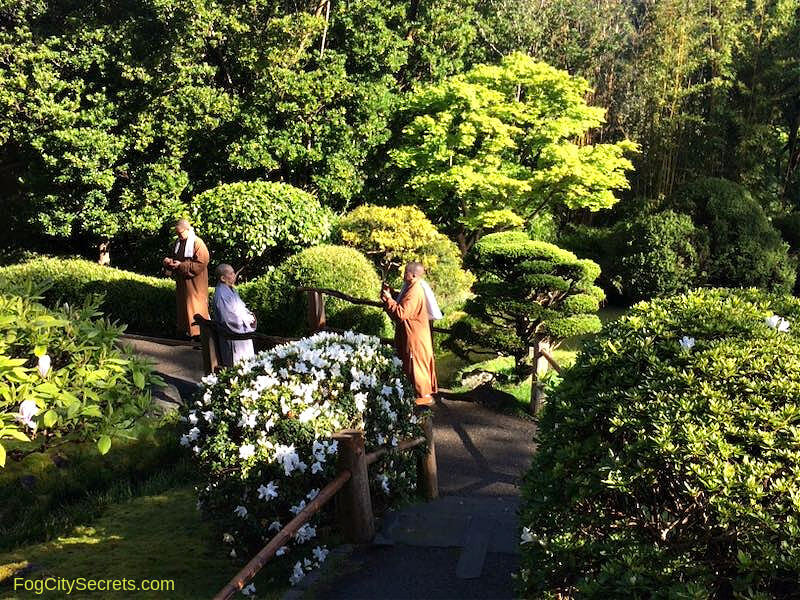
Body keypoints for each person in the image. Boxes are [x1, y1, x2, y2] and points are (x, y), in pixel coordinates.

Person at [381, 262, 438, 406]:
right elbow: (403, 300)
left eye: (406, 272)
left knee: (416, 365)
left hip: (415, 337)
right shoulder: (412, 287)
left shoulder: (415, 290)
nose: (403, 274)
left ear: (413, 275)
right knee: (412, 364)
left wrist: (388, 299)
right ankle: (416, 394)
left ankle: (422, 397)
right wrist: (392, 294)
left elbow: (401, 313)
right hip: (413, 334)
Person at [162, 218, 210, 339]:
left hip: (195, 284)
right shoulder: (177, 243)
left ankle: (200, 335)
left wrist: (181, 265)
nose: (179, 235)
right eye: (177, 233)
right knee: (184, 308)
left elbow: (201, 262)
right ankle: (186, 332)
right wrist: (169, 262)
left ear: (188, 230)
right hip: (182, 284)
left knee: (196, 307)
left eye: (181, 233)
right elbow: (174, 258)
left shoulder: (197, 243)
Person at [212, 264, 257, 366]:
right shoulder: (221, 294)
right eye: (231, 273)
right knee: (238, 369)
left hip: (242, 335)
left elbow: (241, 308)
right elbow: (229, 319)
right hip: (234, 338)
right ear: (223, 278)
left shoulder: (231, 289)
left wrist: (249, 316)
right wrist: (246, 320)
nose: (234, 275)